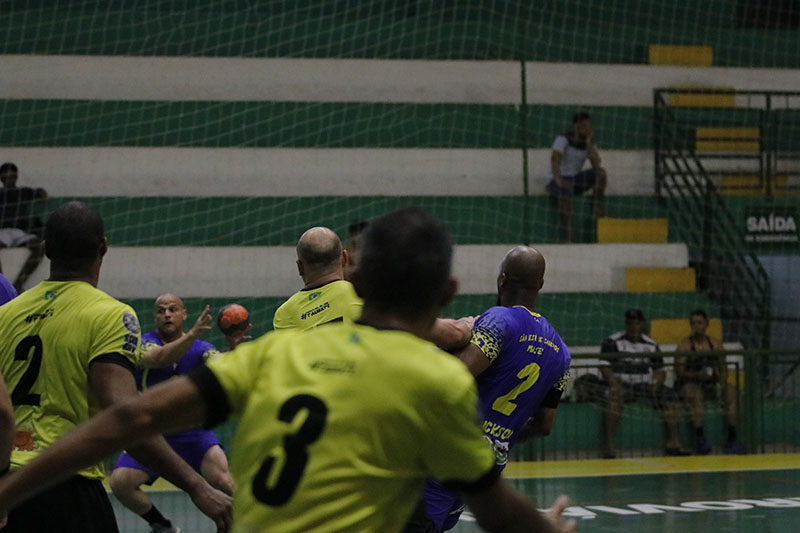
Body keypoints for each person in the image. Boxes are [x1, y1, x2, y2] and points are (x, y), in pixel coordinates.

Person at [0, 207, 578, 533]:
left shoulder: (272, 353)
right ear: (448, 292)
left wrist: (8, 491)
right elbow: (494, 507)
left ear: (358, 279)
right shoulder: (438, 384)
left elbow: (128, 418)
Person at [0, 201, 231, 532]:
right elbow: (124, 415)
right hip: (67, 484)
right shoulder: (109, 315)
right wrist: (197, 487)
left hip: (9, 486)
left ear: (47, 250)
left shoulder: (6, 314)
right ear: (103, 247)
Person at [411, 246, 571, 533]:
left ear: (502, 280)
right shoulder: (561, 353)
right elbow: (544, 425)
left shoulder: (499, 320)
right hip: (484, 469)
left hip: (441, 460)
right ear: (540, 284)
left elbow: (453, 377)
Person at [110, 294, 235, 533]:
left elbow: (223, 365)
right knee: (120, 483)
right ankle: (161, 525)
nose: (167, 314)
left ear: (183, 314)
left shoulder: (202, 349)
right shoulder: (144, 344)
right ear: (155, 317)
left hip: (194, 435)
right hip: (154, 434)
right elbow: (160, 358)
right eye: (161, 310)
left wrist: (234, 349)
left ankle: (238, 525)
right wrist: (192, 335)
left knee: (225, 482)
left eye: (173, 309)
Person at [274, 225, 473, 349]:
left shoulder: (284, 315)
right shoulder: (364, 295)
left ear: (300, 267)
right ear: (344, 258)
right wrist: (467, 326)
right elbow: (451, 335)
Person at [599, 309, 690, 459]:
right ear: (626, 324)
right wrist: (614, 384)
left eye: (637, 323)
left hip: (645, 384)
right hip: (622, 384)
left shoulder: (651, 344)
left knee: (670, 397)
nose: (634, 327)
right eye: (631, 324)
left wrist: (656, 384)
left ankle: (673, 442)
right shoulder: (612, 342)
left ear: (642, 325)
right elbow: (605, 368)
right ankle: (609, 446)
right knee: (614, 399)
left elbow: (660, 371)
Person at [675, 309, 745, 455]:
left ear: (706, 324)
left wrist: (722, 384)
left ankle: (732, 439)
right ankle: (700, 438)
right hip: (690, 384)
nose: (696, 326)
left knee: (732, 393)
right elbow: (679, 372)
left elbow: (723, 368)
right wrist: (696, 375)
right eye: (693, 323)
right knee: (695, 395)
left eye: (699, 323)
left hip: (712, 384)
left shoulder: (716, 345)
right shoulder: (684, 345)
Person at [545, 113, 607, 243]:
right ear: (576, 126)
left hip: (575, 179)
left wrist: (589, 143)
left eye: (589, 126)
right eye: (584, 126)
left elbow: (596, 163)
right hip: (558, 178)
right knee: (564, 194)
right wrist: (558, 180)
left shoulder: (589, 143)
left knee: (601, 173)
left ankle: (596, 209)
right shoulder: (563, 139)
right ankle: (569, 235)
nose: (587, 128)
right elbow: (555, 158)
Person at [0, 162, 47, 292]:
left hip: (20, 232)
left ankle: (18, 284)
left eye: (11, 176)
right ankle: (2, 285)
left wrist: (41, 193)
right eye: (5, 176)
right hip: (2, 231)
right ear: (1, 178)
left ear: (16, 177)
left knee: (40, 247)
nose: (9, 179)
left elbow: (41, 194)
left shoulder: (23, 192)